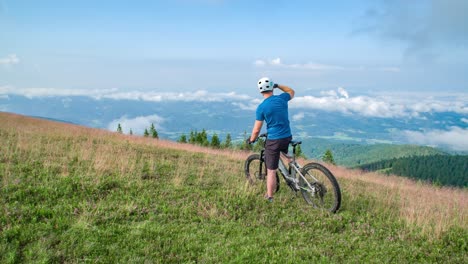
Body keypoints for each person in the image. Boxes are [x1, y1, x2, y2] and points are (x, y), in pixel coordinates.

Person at [247, 77, 295, 202]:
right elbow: (291, 91)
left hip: (274, 140)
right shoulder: (282, 99)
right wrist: (278, 85)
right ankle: (294, 170)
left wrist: (252, 139)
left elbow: (256, 130)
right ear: (271, 87)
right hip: (287, 136)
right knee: (286, 153)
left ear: (260, 91)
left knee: (271, 170)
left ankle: (269, 196)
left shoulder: (262, 107)